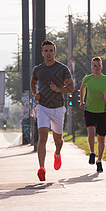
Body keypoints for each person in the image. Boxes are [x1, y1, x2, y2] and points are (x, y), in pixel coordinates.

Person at [31, 40, 75, 181]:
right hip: (43, 106)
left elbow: (71, 88)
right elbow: (33, 82)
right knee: (42, 136)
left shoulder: (62, 69)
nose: (48, 53)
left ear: (55, 52)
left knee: (58, 139)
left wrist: (58, 89)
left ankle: (57, 154)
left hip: (57, 107)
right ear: (42, 53)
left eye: (51, 51)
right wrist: (35, 93)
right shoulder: (38, 69)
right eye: (46, 51)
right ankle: (42, 168)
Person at [80, 56, 106, 173]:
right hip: (90, 110)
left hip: (102, 112)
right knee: (91, 132)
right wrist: (82, 101)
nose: (96, 68)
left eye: (98, 66)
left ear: (101, 67)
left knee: (101, 139)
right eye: (94, 66)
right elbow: (82, 89)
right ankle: (92, 152)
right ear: (92, 67)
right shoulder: (87, 79)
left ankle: (99, 161)